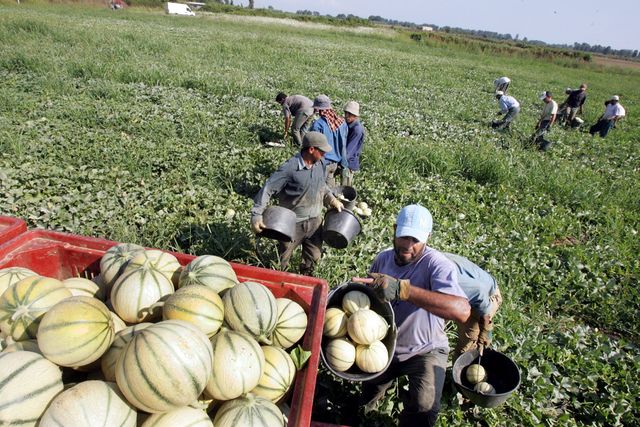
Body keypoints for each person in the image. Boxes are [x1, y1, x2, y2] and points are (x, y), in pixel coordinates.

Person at [353, 204, 470, 426]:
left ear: (428, 237)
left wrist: (403, 290)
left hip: (425, 350)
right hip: (385, 345)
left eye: (415, 240)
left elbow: (462, 311)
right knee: (368, 392)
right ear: (394, 230)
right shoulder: (383, 260)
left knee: (424, 409)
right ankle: (364, 415)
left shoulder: (437, 265)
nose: (407, 246)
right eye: (403, 237)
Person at [250, 132, 344, 276]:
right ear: (311, 149)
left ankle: (306, 279)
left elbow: (322, 186)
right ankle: (280, 282)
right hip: (292, 224)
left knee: (313, 258)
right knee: (282, 259)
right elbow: (268, 189)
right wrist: (257, 215)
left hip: (315, 223)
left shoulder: (319, 164)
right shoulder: (290, 168)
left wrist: (331, 199)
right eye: (322, 151)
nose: (325, 154)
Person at [443, 253, 502, 361]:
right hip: (468, 289)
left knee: (466, 349)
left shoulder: (448, 279)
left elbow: (479, 293)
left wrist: (486, 330)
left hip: (484, 298)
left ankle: (464, 371)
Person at [309, 95, 348, 187]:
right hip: (335, 163)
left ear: (319, 110)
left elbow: (311, 147)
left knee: (319, 189)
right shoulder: (342, 123)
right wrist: (343, 164)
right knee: (330, 188)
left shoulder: (318, 125)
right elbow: (343, 145)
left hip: (322, 163)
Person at [342, 101, 365, 187]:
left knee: (345, 188)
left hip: (349, 164)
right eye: (346, 113)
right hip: (345, 160)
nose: (346, 116)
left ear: (355, 115)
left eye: (350, 114)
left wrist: (340, 162)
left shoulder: (357, 130)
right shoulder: (348, 125)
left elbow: (349, 152)